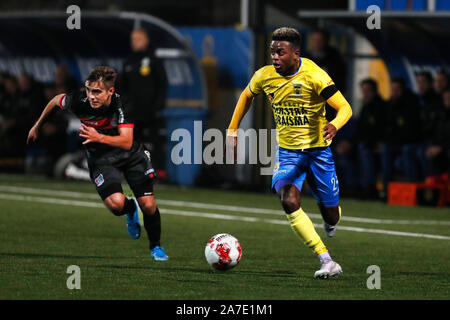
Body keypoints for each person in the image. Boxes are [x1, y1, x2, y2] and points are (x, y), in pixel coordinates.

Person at [226, 28, 352, 279]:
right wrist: (232, 130)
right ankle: (326, 260)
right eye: (272, 52)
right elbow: (246, 96)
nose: (274, 57)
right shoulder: (264, 76)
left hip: (318, 153)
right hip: (289, 154)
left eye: (280, 52)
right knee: (289, 200)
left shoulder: (315, 76)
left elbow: (345, 108)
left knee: (332, 215)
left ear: (296, 54)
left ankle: (329, 218)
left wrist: (334, 125)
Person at [27, 66, 169, 261]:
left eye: (97, 91)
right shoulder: (79, 99)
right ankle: (130, 209)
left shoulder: (122, 103)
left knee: (149, 205)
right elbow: (54, 101)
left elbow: (126, 141)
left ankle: (156, 247)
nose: (91, 96)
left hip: (131, 156)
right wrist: (37, 126)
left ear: (110, 91)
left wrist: (98, 137)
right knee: (117, 206)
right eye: (88, 90)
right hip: (101, 159)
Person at [118, 28, 168, 171]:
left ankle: (160, 172)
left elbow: (162, 84)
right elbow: (123, 87)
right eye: (133, 39)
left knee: (155, 142)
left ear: (146, 40)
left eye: (138, 39)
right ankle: (136, 171)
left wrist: (158, 106)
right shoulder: (129, 62)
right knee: (133, 143)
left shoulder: (153, 60)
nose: (135, 42)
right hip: (133, 112)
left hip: (151, 112)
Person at [381, 78, 422, 193]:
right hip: (395, 143)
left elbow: (411, 130)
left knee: (407, 150)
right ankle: (385, 190)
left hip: (411, 142)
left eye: (397, 89)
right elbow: (387, 128)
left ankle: (415, 190)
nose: (394, 92)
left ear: (403, 90)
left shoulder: (411, 104)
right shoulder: (389, 105)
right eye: (392, 89)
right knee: (385, 150)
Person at [355, 78, 388, 199]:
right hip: (368, 143)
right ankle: (355, 187)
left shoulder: (382, 106)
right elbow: (360, 130)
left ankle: (373, 189)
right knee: (358, 148)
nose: (365, 94)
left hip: (379, 144)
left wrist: (379, 142)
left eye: (368, 91)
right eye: (363, 91)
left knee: (366, 151)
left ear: (374, 91)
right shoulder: (365, 107)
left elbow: (385, 128)